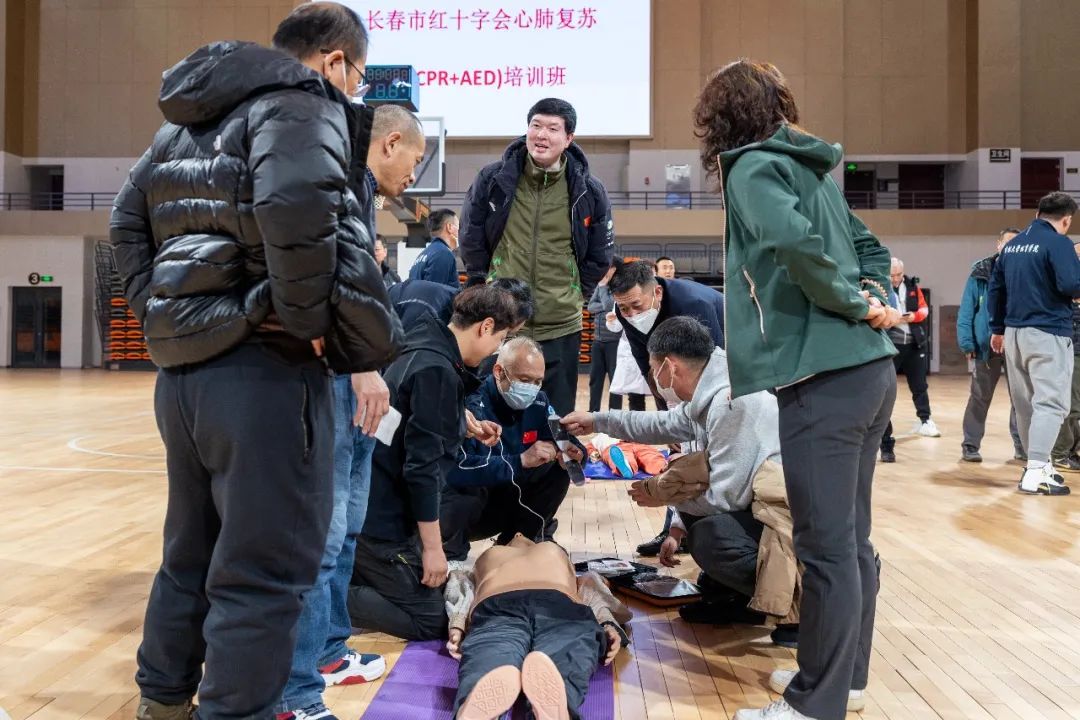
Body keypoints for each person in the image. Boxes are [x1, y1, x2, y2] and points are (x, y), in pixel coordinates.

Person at [108, 4, 404, 719]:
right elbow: (297, 204)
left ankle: (163, 702)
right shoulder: (299, 103)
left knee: (190, 555)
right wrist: (297, 320)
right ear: (334, 61)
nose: (355, 91)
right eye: (359, 78)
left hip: (185, 376)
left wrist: (167, 314)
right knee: (265, 571)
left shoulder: (180, 125)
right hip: (264, 371)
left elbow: (124, 221)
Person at [694, 59, 900, 720]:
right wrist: (874, 298)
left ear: (720, 119)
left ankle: (816, 703)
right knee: (850, 542)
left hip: (824, 377)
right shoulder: (811, 171)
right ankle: (843, 680)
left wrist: (851, 301)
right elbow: (873, 250)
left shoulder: (752, 168)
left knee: (825, 548)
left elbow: (793, 243)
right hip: (868, 373)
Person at [277, 92, 427, 720]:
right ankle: (293, 692)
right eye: (414, 162)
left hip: (360, 383)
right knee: (322, 536)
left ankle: (329, 652)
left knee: (348, 530)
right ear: (389, 143)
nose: (414, 176)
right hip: (337, 378)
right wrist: (361, 364)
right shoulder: (334, 182)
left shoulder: (360, 194)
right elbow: (322, 287)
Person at [562, 318, 794, 639]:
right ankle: (738, 597)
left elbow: (726, 499)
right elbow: (662, 425)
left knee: (712, 538)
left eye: (653, 368)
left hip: (787, 524)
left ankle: (795, 603)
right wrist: (598, 420)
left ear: (669, 367)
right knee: (696, 515)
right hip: (761, 508)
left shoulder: (731, 402)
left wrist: (661, 495)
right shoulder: (711, 389)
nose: (655, 379)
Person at [347, 285, 518, 641]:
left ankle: (347, 575)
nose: (496, 350)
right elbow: (421, 470)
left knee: (438, 593)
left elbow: (406, 420)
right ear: (486, 326)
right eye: (501, 339)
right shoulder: (438, 372)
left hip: (369, 499)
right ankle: (322, 597)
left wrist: (460, 423)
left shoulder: (423, 340)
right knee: (434, 619)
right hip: (381, 524)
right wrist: (433, 549)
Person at [460, 97, 615, 415]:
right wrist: (484, 284)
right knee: (490, 415)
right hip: (502, 321)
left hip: (561, 323)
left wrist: (574, 292)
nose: (542, 135)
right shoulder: (493, 179)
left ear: (568, 138)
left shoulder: (589, 190)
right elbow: (471, 236)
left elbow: (600, 254)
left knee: (555, 419)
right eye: (536, 125)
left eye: (553, 128)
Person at [609, 259, 725, 556]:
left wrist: (692, 419)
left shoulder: (694, 304)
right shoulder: (625, 312)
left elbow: (716, 365)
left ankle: (711, 528)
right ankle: (675, 529)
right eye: (624, 308)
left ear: (657, 292)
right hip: (683, 374)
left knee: (708, 451)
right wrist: (669, 419)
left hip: (732, 362)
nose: (631, 314)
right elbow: (649, 368)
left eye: (636, 305)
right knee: (681, 449)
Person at [444, 536, 631, 720]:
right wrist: (606, 622)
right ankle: (561, 706)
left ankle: (473, 706)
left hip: (499, 604)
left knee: (490, 654)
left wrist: (457, 622)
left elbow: (460, 582)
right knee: (569, 651)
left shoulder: (488, 556)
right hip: (558, 605)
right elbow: (591, 586)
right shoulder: (555, 553)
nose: (519, 535)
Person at [440, 337, 584, 562]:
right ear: (499, 371)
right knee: (465, 487)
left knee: (558, 469)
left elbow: (566, 441)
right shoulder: (471, 402)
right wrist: (521, 460)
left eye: (538, 381)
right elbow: (456, 470)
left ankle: (522, 541)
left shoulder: (540, 402)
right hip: (468, 509)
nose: (532, 388)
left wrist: (575, 455)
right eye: (525, 380)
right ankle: (451, 557)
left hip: (510, 499)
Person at [989, 191, 1080, 495]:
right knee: (1051, 403)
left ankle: (1036, 465)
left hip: (1014, 334)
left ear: (1038, 213)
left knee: (1026, 405)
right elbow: (1071, 284)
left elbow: (996, 290)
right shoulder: (1058, 243)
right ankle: (1037, 470)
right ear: (1066, 220)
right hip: (1048, 333)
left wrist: (997, 328)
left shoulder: (1012, 246)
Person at [957, 229, 1025, 463]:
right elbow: (967, 311)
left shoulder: (1026, 272)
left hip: (1016, 346)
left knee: (1020, 399)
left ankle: (1021, 446)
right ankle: (970, 445)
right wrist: (967, 342)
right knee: (979, 397)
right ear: (998, 245)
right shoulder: (980, 273)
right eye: (1007, 242)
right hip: (986, 348)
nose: (1010, 247)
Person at [878, 258, 938, 463]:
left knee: (919, 385)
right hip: (891, 345)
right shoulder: (881, 288)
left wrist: (913, 316)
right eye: (892, 275)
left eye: (898, 275)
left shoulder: (913, 287)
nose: (895, 279)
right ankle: (883, 435)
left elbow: (924, 309)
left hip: (914, 343)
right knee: (886, 390)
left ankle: (925, 420)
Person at [587, 259, 644, 412]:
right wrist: (602, 294)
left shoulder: (619, 286)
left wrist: (603, 289)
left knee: (615, 380)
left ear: (615, 269)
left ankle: (614, 413)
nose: (605, 271)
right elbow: (591, 307)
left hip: (614, 341)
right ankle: (593, 411)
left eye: (609, 268)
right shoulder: (601, 285)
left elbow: (608, 305)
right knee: (595, 379)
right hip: (598, 340)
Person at [1052, 287, 1080, 472]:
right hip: (1073, 353)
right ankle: (1060, 453)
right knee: (1071, 406)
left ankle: (1070, 451)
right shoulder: (1066, 295)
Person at [409, 209, 461, 288]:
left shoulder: (424, 254)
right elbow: (435, 292)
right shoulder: (443, 254)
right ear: (449, 227)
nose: (460, 231)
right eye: (459, 227)